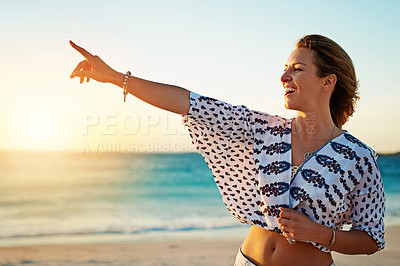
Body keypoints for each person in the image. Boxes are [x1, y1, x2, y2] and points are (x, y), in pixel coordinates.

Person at [70, 34, 385, 266]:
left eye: (297, 69)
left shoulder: (358, 158)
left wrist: (319, 234)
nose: (284, 76)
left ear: (327, 81)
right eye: (285, 68)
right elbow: (190, 103)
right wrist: (114, 77)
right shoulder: (262, 129)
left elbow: (372, 239)